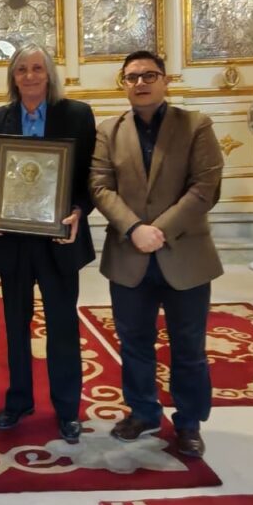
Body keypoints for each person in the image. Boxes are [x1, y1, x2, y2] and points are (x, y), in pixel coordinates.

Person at [89, 50, 224, 459]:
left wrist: (158, 231)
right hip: (129, 256)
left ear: (165, 80)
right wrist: (134, 229)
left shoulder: (196, 125)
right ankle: (143, 412)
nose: (140, 83)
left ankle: (189, 422)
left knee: (188, 346)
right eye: (132, 77)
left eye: (149, 75)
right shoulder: (108, 131)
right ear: (123, 84)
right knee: (134, 342)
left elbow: (205, 188)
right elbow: (100, 186)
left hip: (184, 255)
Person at [0, 44, 96, 441]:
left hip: (59, 240)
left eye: (37, 68)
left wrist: (78, 210)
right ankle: (19, 400)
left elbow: (90, 178)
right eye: (22, 69)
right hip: (13, 241)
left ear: (49, 74)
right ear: (13, 77)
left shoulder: (77, 115)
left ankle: (67, 409)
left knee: (62, 325)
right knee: (15, 326)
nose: (30, 76)